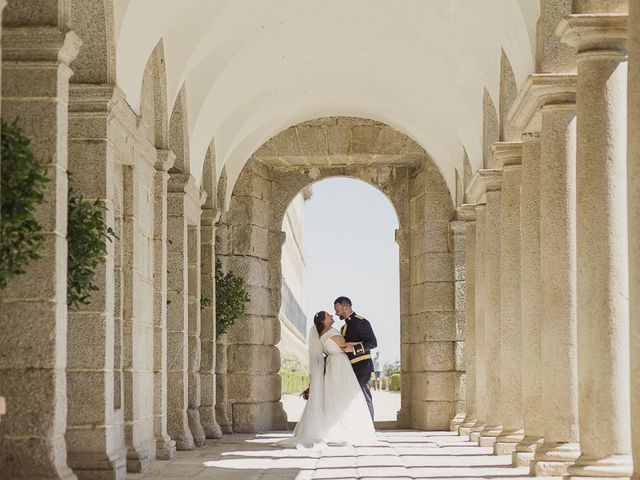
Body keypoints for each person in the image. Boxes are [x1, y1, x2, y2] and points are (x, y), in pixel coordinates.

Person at [277, 311, 376, 448]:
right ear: (323, 321)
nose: (332, 316)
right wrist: (362, 344)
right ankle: (346, 428)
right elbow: (344, 346)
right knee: (344, 396)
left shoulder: (321, 336)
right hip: (340, 365)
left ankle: (334, 427)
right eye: (329, 316)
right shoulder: (333, 331)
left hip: (331, 365)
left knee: (332, 396)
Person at [334, 296, 377, 420]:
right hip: (349, 370)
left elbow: (373, 343)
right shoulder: (343, 328)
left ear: (345, 308)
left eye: (337, 310)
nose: (336, 314)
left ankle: (370, 430)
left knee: (364, 399)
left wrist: (353, 348)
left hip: (363, 369)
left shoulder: (362, 322)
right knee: (351, 402)